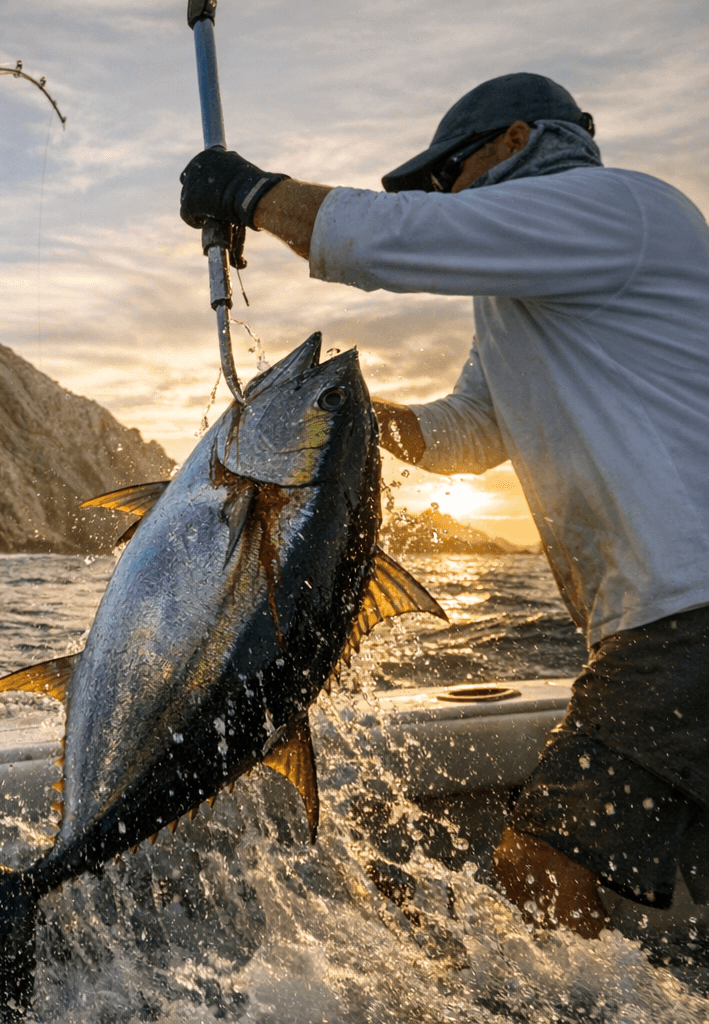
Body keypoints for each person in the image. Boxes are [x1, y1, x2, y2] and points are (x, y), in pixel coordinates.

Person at [178, 73, 709, 937]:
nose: (440, 196)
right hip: (654, 620)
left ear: (515, 142)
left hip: (687, 612)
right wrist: (342, 425)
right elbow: (472, 428)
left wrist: (250, 194)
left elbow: (394, 241)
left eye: (443, 175)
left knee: (539, 866)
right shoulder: (529, 291)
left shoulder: (612, 207)